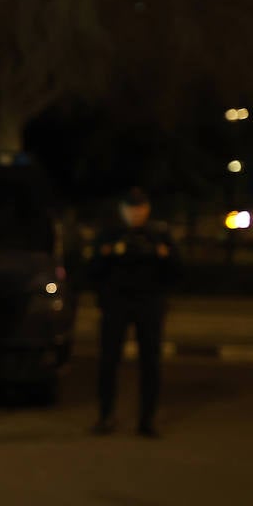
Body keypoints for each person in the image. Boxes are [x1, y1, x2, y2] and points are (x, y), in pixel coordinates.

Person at [88, 187, 180, 437]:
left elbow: (176, 272)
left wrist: (163, 256)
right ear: (122, 210)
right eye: (130, 209)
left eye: (139, 209)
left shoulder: (158, 235)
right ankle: (106, 416)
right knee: (108, 361)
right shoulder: (109, 234)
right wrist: (109, 254)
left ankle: (147, 420)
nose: (135, 214)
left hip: (148, 304)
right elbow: (92, 270)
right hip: (116, 304)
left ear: (147, 209)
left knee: (150, 362)